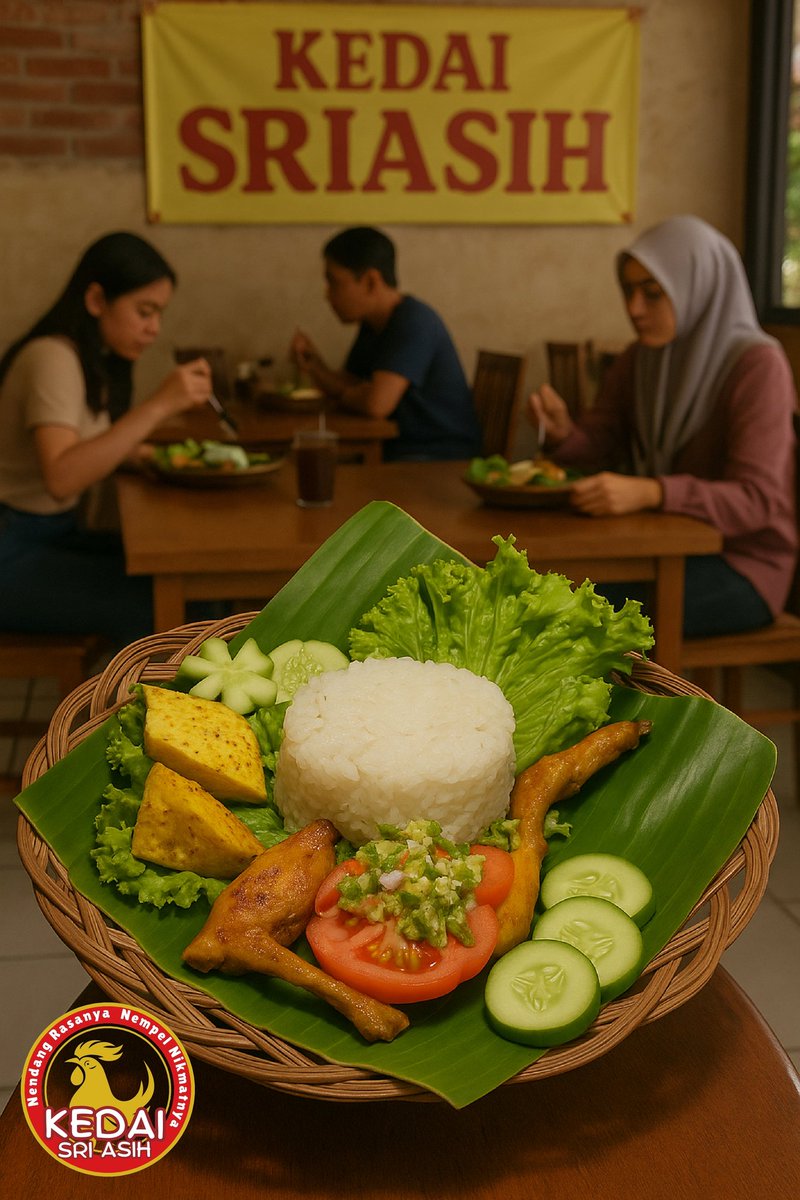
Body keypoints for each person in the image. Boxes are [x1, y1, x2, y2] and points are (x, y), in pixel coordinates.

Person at [529, 214, 798, 637]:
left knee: (575, 616)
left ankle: (628, 704)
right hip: (659, 548)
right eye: (629, 291)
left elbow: (756, 499)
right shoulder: (642, 358)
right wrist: (563, 433)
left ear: (699, 287)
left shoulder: (757, 365)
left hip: (744, 567)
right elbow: (602, 440)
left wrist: (654, 491)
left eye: (653, 294)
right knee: (548, 590)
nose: (634, 308)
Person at [0, 231, 214, 646]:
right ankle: (139, 711)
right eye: (144, 311)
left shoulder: (89, 358)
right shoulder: (52, 357)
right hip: (13, 547)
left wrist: (148, 456)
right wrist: (159, 406)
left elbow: (91, 445)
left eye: (159, 314)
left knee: (192, 587)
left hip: (51, 534)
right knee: (178, 609)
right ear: (97, 300)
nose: (154, 329)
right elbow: (61, 475)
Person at [289, 226, 481, 461]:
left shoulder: (414, 321)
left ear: (371, 281)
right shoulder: (372, 325)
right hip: (400, 451)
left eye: (334, 283)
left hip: (436, 458)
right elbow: (352, 383)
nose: (327, 294)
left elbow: (376, 404)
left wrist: (351, 393)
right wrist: (316, 367)